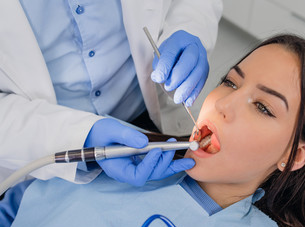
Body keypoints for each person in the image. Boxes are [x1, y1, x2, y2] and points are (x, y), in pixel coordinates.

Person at [0, 34, 305, 227]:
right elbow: (12, 209)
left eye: (262, 107)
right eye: (230, 81)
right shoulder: (112, 160)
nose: (223, 104)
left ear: (293, 157)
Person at [0, 0, 223, 184]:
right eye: (232, 83)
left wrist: (190, 28)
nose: (225, 106)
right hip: (40, 140)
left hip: (147, 116)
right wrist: (82, 136)